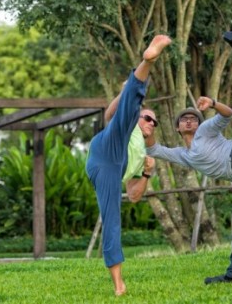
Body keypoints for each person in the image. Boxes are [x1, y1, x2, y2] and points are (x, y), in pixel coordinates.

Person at [144, 31, 232, 284]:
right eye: (184, 119)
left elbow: (229, 114)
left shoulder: (205, 130)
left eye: (193, 118)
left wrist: (212, 103)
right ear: (177, 128)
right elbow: (154, 150)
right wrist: (147, 128)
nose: (189, 120)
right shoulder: (183, 155)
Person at [85, 34, 171, 296]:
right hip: (106, 147)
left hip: (113, 169)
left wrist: (146, 172)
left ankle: (119, 285)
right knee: (127, 108)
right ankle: (147, 61)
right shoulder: (131, 124)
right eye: (148, 117)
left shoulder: (143, 153)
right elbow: (112, 114)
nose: (150, 122)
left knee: (112, 219)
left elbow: (133, 196)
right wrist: (125, 94)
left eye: (154, 122)